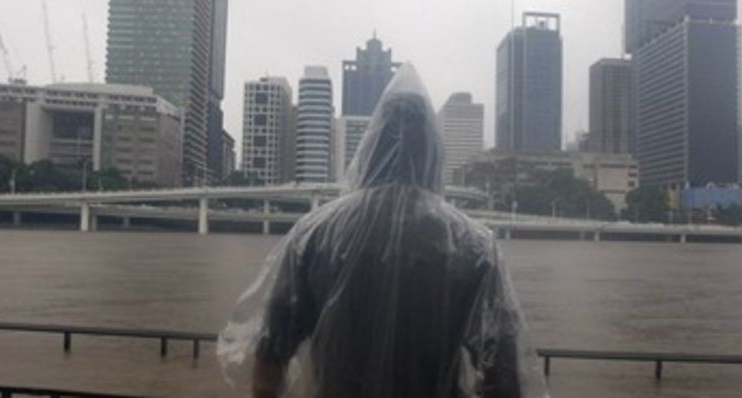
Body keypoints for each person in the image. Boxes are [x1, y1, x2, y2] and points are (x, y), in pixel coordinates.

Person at [218, 64, 548, 398]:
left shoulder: (313, 236)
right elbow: (502, 374)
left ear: (369, 149)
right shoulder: (474, 248)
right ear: (433, 153)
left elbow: (271, 353)